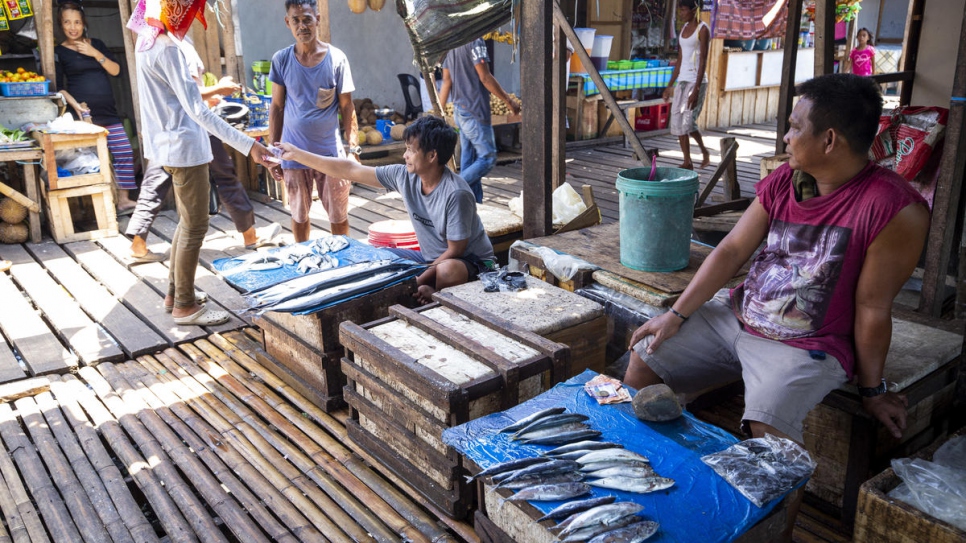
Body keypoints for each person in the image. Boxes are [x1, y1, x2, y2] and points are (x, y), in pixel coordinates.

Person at [624, 73, 929, 540]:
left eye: (793, 126)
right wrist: (677, 314)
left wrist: (872, 391)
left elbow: (872, 307)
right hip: (736, 317)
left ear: (829, 140)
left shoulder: (893, 209)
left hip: (805, 345)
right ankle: (647, 482)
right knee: (644, 360)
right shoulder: (787, 178)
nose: (784, 137)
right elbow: (729, 251)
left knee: (770, 441)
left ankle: (777, 535)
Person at [128, 0, 274, 326]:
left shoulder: (146, 37)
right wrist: (249, 145)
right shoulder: (168, 48)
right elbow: (198, 111)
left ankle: (175, 293)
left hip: (166, 145)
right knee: (195, 226)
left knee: (185, 222)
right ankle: (184, 306)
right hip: (184, 147)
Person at [274, 116, 496, 305]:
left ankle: (437, 296)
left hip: (474, 264)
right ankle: (430, 288)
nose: (404, 156)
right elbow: (351, 169)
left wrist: (418, 282)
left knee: (447, 270)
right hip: (430, 259)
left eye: (410, 150)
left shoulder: (456, 194)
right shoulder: (404, 175)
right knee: (375, 257)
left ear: (432, 156)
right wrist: (298, 155)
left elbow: (455, 251)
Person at [126, 38, 280, 263]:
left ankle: (139, 243)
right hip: (192, 133)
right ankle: (250, 235)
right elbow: (192, 100)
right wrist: (218, 89)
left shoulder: (152, 43)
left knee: (156, 185)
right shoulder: (172, 46)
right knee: (202, 211)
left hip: (167, 134)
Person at [269, 0, 358, 243]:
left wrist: (354, 149)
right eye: (296, 20)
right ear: (288, 23)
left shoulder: (337, 59)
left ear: (317, 19)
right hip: (292, 152)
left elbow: (347, 106)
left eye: (307, 19)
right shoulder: (282, 60)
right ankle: (303, 258)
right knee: (299, 216)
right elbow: (277, 107)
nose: (302, 25)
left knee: (338, 216)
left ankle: (345, 261)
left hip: (330, 153)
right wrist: (272, 151)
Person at [55, 2, 138, 212]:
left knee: (124, 152)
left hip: (109, 113)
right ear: (60, 24)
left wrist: (93, 52)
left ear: (84, 24)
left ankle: (123, 199)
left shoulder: (97, 44)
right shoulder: (59, 52)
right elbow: (59, 89)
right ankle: (98, 207)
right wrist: (78, 108)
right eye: (67, 22)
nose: (72, 27)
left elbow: (116, 70)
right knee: (89, 160)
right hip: (84, 115)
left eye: (77, 22)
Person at [439, 38, 521, 203]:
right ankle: (449, 189)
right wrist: (509, 101)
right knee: (488, 158)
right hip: (475, 111)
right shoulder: (475, 41)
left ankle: (475, 205)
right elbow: (485, 77)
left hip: (460, 110)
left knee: (469, 161)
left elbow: (447, 81)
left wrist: (439, 112)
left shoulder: (452, 43)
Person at [663, 0, 710, 170]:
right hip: (682, 81)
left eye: (683, 10)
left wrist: (697, 89)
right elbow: (680, 60)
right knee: (677, 120)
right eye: (680, 11)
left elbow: (704, 60)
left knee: (688, 123)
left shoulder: (703, 29)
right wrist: (669, 85)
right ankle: (687, 161)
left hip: (696, 81)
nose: (681, 14)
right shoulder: (683, 30)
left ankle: (704, 151)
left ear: (694, 10)